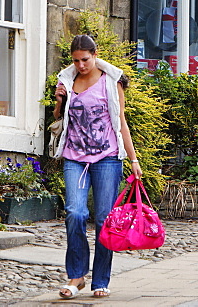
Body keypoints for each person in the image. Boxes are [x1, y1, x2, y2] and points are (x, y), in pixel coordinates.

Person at [52, 34, 141, 299]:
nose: (80, 65)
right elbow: (58, 118)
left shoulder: (111, 82)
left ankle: (100, 279)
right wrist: (59, 100)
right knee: (75, 213)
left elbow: (121, 122)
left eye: (85, 59)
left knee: (104, 219)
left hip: (107, 158)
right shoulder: (67, 80)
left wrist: (134, 160)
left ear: (95, 54)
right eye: (76, 60)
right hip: (74, 157)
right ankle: (76, 276)